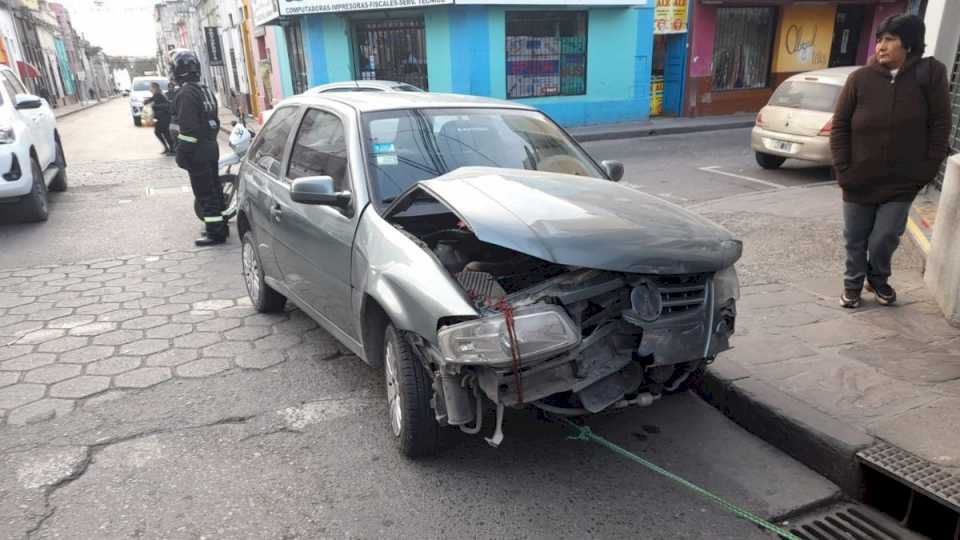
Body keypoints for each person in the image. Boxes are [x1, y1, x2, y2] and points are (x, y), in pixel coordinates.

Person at [831, 14, 951, 309]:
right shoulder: (859, 79)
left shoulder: (931, 74)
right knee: (855, 239)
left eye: (889, 39)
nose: (881, 46)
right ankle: (853, 285)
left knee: (884, 238)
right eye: (879, 40)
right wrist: (844, 170)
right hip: (858, 177)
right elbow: (840, 127)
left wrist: (925, 171)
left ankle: (879, 277)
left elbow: (940, 126)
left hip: (902, 181)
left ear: (908, 44)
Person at [170, 50, 227, 247]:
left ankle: (214, 232)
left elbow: (189, 130)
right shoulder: (205, 90)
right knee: (215, 190)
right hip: (210, 147)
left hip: (198, 153)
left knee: (205, 193)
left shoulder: (186, 93)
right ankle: (222, 225)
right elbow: (215, 121)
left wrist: (181, 154)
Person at [144, 82, 175, 155]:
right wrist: (146, 102)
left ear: (155, 88)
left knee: (165, 133)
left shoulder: (159, 95)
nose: (150, 89)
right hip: (161, 117)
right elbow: (149, 101)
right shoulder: (157, 95)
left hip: (164, 117)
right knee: (159, 132)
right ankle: (168, 148)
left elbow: (164, 105)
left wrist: (153, 106)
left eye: (151, 88)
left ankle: (172, 149)